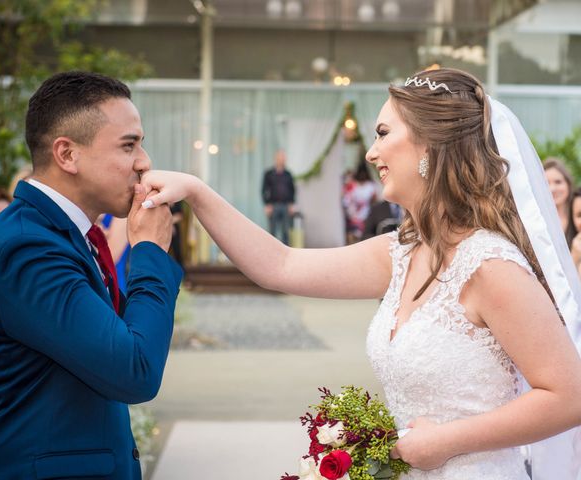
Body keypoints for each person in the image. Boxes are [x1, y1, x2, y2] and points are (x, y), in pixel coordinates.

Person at [140, 68, 581, 479]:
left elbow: (568, 397)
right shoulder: (401, 254)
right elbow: (279, 264)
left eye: (384, 133)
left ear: (430, 146)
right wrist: (197, 192)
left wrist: (446, 440)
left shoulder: (490, 265)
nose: (371, 152)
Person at [0, 71, 183, 479]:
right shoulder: (28, 248)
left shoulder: (62, 235)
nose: (144, 163)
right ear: (67, 154)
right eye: (129, 145)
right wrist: (149, 252)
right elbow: (135, 372)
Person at [262, 149, 296, 244]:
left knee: (286, 231)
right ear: (276, 158)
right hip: (273, 206)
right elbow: (264, 190)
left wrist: (291, 204)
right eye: (280, 157)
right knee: (272, 232)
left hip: (285, 206)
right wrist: (267, 205)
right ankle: (271, 253)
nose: (282, 159)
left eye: (284, 157)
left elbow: (292, 190)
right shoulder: (269, 174)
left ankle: (287, 253)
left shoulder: (288, 174)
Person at [342, 157, 378, 243]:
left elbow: (374, 200)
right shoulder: (352, 185)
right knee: (352, 237)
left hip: (365, 215)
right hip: (352, 215)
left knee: (362, 238)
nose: (362, 175)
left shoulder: (370, 186)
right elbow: (346, 199)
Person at [544, 157, 576, 247]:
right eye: (546, 183)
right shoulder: (537, 220)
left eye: (558, 182)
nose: (552, 189)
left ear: (568, 184)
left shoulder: (578, 218)